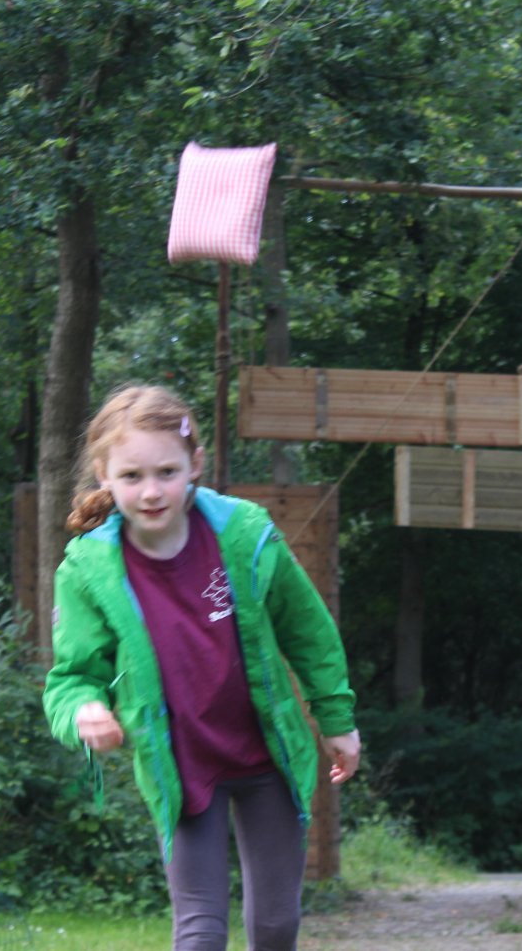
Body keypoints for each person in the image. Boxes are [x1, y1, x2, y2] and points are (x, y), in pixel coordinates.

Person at [43, 384, 360, 951]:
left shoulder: (246, 536)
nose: (151, 491)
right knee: (199, 933)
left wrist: (336, 718)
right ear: (103, 475)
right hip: (182, 767)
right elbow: (71, 677)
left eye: (166, 472)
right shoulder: (88, 569)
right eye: (132, 477)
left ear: (195, 464)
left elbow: (307, 631)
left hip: (267, 757)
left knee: (275, 926)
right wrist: (84, 711)